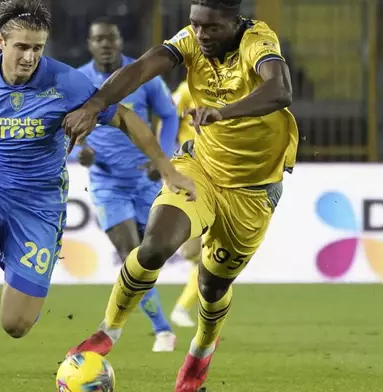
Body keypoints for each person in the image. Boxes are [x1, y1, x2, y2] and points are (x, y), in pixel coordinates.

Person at [0, 1, 195, 391]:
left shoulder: (65, 82)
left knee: (16, 325)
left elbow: (124, 116)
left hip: (39, 207)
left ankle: (18, 264)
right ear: (1, 41)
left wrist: (168, 167)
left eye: (38, 48)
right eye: (22, 47)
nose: (30, 56)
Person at [63, 0, 298, 390]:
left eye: (211, 28)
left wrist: (224, 113)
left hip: (252, 190)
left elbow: (281, 89)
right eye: (195, 25)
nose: (201, 35)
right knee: (154, 245)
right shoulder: (191, 40)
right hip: (200, 169)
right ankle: (109, 330)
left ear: (234, 23)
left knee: (212, 285)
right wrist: (96, 103)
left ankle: (200, 353)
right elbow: (142, 66)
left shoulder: (257, 40)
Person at [73, 17, 179, 352]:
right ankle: (162, 329)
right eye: (98, 39)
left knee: (152, 255)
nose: (105, 44)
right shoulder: (79, 81)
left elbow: (170, 114)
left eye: (110, 39)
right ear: (90, 44)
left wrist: (160, 158)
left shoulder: (141, 76)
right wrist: (80, 152)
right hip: (107, 182)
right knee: (130, 254)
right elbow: (68, 126)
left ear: (119, 42)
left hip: (145, 179)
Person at [169, 80, 202, 328]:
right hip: (191, 172)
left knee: (207, 255)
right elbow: (166, 118)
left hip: (221, 175)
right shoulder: (186, 91)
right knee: (192, 252)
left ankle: (183, 308)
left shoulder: (233, 90)